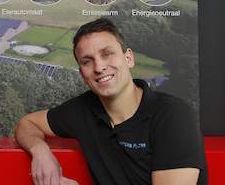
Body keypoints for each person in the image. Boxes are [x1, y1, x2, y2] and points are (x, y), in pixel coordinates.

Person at [15, 18, 206, 185]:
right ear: (83, 74)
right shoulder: (83, 110)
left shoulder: (173, 116)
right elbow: (27, 124)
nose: (99, 67)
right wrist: (40, 152)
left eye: (107, 54)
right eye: (87, 61)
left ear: (128, 58)